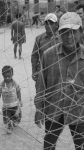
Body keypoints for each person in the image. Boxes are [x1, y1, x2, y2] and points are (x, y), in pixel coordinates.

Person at [34, 12, 84, 150]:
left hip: (79, 109)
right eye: (64, 32)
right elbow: (41, 84)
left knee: (81, 145)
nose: (69, 36)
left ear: (81, 31)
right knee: (49, 144)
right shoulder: (48, 55)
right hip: (54, 108)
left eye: (73, 31)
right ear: (59, 33)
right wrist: (39, 108)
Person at [31, 13, 60, 82]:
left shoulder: (61, 38)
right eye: (46, 23)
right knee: (41, 92)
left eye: (51, 23)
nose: (48, 26)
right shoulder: (39, 38)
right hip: (42, 72)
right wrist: (34, 71)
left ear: (56, 25)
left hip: (58, 73)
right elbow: (34, 56)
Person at [0, 66, 23, 134]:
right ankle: (9, 126)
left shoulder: (15, 83)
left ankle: (14, 121)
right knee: (7, 117)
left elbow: (18, 91)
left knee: (16, 116)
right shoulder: (1, 85)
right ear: (3, 75)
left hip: (15, 105)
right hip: (6, 106)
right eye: (5, 77)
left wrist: (20, 100)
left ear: (12, 75)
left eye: (9, 76)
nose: (7, 78)